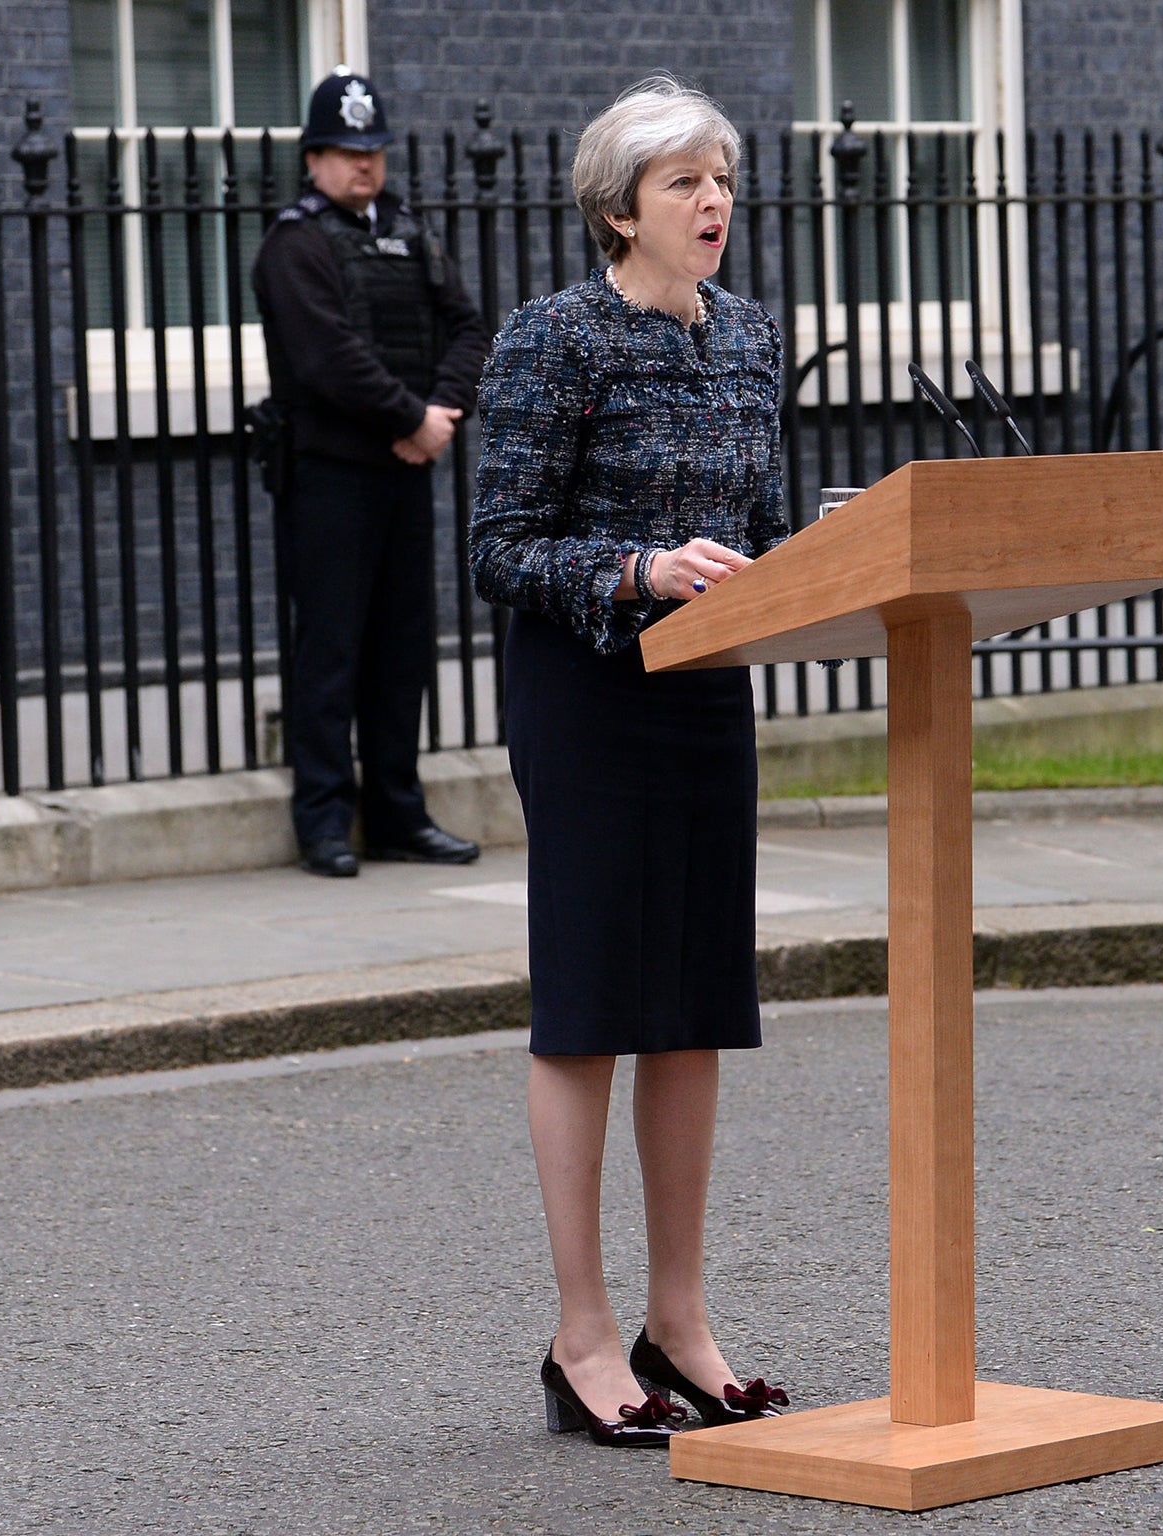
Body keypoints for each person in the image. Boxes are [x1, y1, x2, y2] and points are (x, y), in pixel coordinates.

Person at [470, 77, 792, 1447]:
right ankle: (583, 1333)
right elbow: (497, 544)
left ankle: (682, 1321)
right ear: (618, 209)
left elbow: (768, 524)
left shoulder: (754, 340)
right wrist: (640, 568)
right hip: (590, 690)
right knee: (597, 1003)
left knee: (694, 1003)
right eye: (683, 181)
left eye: (721, 175)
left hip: (709, 689)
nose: (713, 200)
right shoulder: (553, 341)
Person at [252, 69, 492, 879]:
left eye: (375, 151)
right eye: (349, 152)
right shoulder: (296, 243)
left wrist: (442, 415)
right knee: (330, 649)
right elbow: (327, 359)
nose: (366, 166)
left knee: (401, 648)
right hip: (329, 476)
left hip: (403, 471)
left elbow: (467, 327)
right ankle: (323, 819)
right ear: (315, 156)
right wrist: (411, 418)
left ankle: (396, 812)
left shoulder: (409, 232)